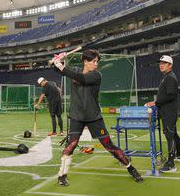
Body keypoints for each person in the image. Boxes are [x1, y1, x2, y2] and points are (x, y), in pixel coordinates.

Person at [52, 49, 143, 185]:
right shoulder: (75, 70)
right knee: (71, 145)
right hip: (76, 116)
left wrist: (60, 64)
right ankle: (62, 175)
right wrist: (58, 60)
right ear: (85, 62)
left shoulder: (96, 75)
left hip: (93, 116)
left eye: (97, 61)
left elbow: (79, 78)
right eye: (93, 61)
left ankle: (131, 168)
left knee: (108, 145)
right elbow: (58, 70)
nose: (96, 64)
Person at [145, 55, 180, 173]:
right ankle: (179, 155)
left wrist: (156, 102)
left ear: (170, 65)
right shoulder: (167, 76)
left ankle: (171, 164)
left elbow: (171, 95)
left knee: (169, 136)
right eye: (160, 63)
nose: (161, 65)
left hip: (168, 112)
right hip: (168, 111)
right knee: (174, 134)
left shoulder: (170, 77)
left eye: (164, 63)